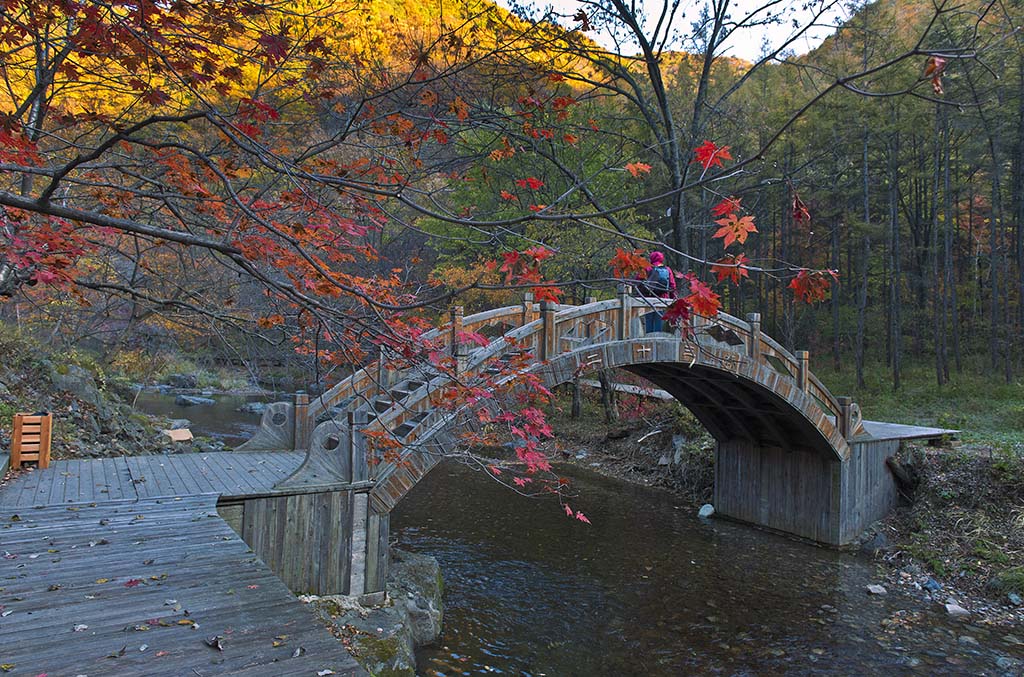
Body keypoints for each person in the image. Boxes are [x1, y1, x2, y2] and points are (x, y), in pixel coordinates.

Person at [637, 251, 676, 332]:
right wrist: (673, 300)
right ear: (662, 259)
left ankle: (649, 341)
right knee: (659, 322)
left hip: (648, 299)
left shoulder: (647, 268)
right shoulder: (667, 269)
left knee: (649, 321)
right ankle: (658, 341)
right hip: (662, 299)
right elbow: (672, 286)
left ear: (651, 258)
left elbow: (637, 281)